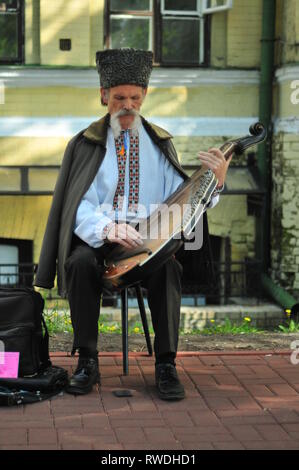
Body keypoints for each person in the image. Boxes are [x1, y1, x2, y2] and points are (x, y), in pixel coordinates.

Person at [34, 48, 231, 400]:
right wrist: (106, 229)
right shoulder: (85, 144)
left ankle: (167, 363)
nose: (127, 105)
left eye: (135, 98)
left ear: (144, 97)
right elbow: (76, 205)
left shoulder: (160, 144)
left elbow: (184, 203)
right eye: (119, 97)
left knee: (168, 269)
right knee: (78, 262)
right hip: (99, 240)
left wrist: (214, 182)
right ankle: (87, 361)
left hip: (146, 245)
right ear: (103, 95)